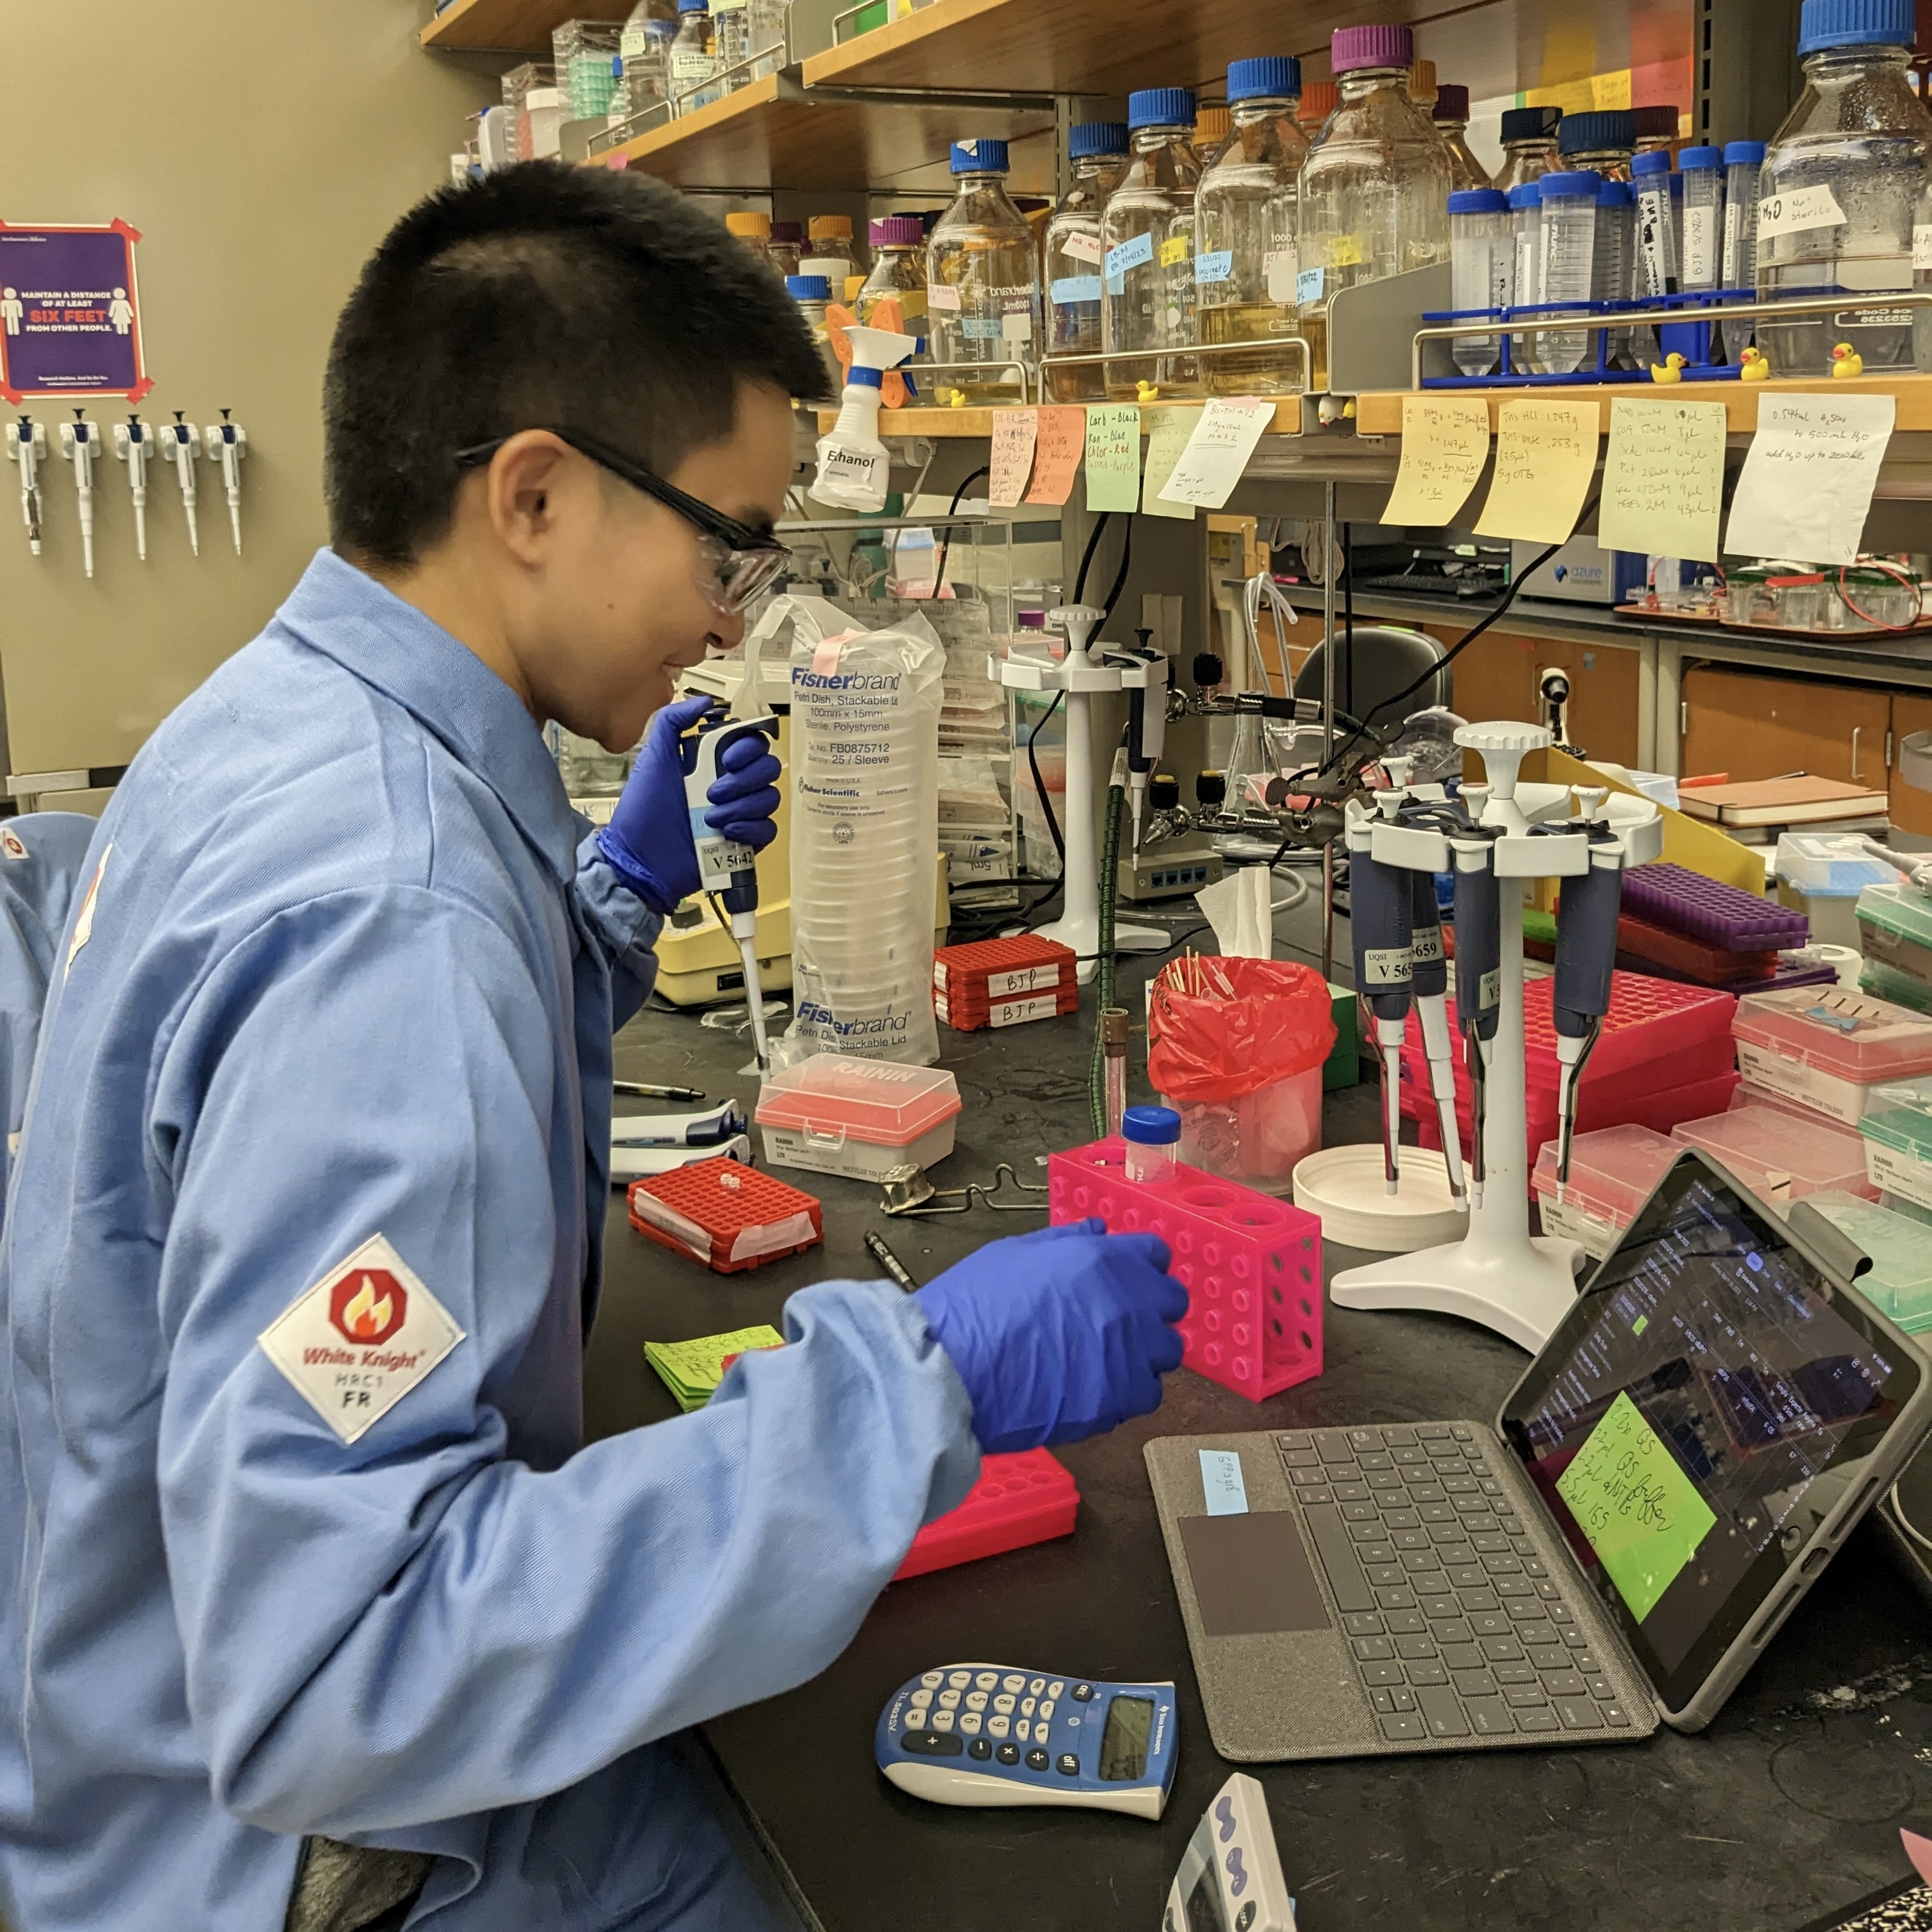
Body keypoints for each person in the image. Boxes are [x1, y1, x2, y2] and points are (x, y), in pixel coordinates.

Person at [0, 164, 1186, 1931]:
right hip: (287, 1852)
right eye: (730, 541)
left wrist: (597, 917)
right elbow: (348, 1676)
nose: (734, 613)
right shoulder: (390, 915)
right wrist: (917, 1385)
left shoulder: (269, 718)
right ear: (536, 495)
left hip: (105, 1712)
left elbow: (290, 1108)